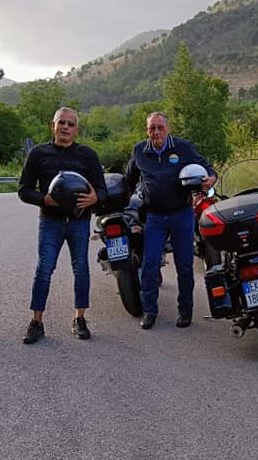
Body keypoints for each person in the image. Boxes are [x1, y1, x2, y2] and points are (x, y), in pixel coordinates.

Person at [18, 107, 106, 344]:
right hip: (50, 221)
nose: (65, 127)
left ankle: (80, 318)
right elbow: (23, 190)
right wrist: (43, 199)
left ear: (76, 129)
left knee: (81, 269)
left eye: (70, 124)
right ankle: (36, 322)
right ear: (53, 126)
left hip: (79, 222)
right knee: (44, 269)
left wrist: (95, 198)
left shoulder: (88, 155)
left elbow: (102, 189)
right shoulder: (38, 153)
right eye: (62, 123)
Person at [124, 112, 216, 330]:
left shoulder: (183, 147)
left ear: (168, 128)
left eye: (160, 127)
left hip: (181, 214)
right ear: (147, 130)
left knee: (184, 266)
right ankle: (149, 311)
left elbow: (206, 167)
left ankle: (185, 311)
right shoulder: (139, 150)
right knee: (149, 265)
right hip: (154, 216)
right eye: (152, 128)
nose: (156, 132)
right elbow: (129, 179)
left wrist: (212, 177)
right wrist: (118, 200)